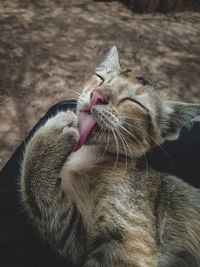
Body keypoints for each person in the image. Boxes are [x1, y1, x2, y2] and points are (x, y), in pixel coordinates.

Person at [0, 100, 199, 267]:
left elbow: (128, 256)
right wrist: (37, 176)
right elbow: (76, 242)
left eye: (133, 102)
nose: (98, 96)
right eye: (100, 80)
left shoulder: (130, 185)